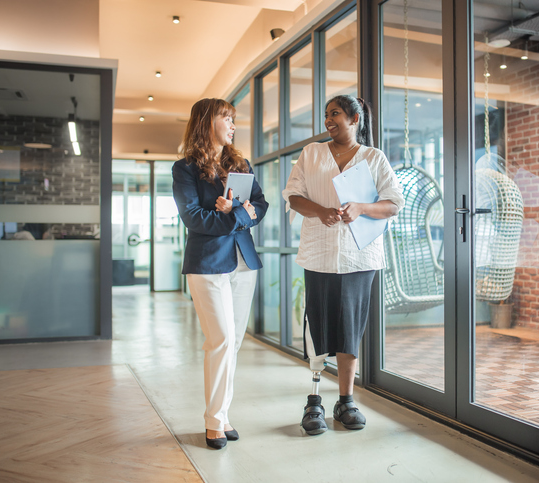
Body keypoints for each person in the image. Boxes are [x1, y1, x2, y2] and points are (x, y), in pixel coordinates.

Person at [282, 95, 405, 435]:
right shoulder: (312, 153)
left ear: (354, 118)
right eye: (326, 115)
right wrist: (319, 210)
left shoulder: (373, 158)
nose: (328, 120)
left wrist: (363, 208)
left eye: (335, 114)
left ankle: (346, 401)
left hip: (358, 258)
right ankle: (314, 400)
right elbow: (292, 195)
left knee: (349, 329)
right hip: (319, 256)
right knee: (318, 327)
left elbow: (394, 203)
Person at [172, 98, 268, 450]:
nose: (233, 125)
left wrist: (237, 213)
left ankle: (222, 415)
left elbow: (260, 205)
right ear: (205, 121)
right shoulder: (184, 169)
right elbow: (193, 217)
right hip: (207, 263)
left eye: (233, 119)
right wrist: (234, 216)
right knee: (221, 340)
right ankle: (214, 421)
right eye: (226, 118)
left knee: (234, 343)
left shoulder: (239, 163)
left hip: (243, 262)